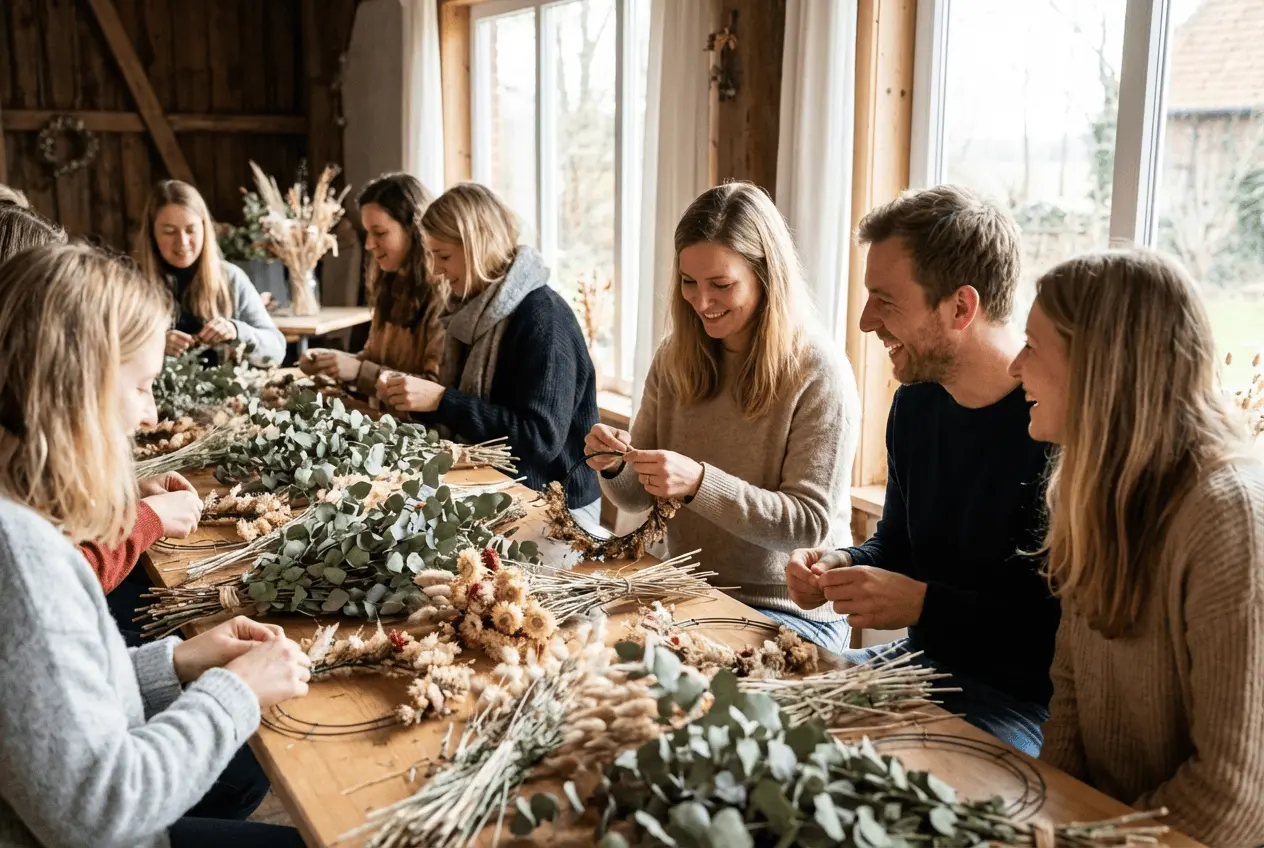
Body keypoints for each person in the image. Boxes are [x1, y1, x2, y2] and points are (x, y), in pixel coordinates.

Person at [0, 242, 309, 847]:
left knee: (246, 765)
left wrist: (177, 662)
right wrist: (237, 692)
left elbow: (50, 707)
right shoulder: (24, 561)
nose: (148, 416)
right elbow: (99, 807)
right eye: (142, 387)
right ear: (76, 390)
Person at [786, 185, 1059, 756]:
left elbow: (1055, 636)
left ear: (961, 307)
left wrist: (924, 605)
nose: (865, 322)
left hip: (1017, 706)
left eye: (885, 300)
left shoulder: (1054, 430)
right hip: (915, 668)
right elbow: (898, 548)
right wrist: (842, 563)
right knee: (768, 711)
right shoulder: (915, 404)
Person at [1008, 249, 1264, 845]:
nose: (1017, 367)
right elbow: (1069, 708)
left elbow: (1232, 799)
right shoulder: (1091, 494)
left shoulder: (1229, 517)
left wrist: (1082, 841)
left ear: (1101, 369)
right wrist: (1040, 826)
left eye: (1034, 347)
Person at [586, 183, 860, 652]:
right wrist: (614, 463)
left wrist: (698, 483)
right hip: (692, 593)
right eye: (689, 282)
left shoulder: (818, 371)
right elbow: (633, 498)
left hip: (791, 615)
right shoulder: (675, 356)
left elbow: (808, 523)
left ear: (765, 275)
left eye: (722, 284)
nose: (701, 301)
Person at [0, 205, 204, 643]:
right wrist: (144, 519)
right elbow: (66, 579)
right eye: (141, 387)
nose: (152, 415)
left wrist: (122, 498)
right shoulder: (16, 536)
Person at [378, 182, 600, 519]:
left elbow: (540, 439)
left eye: (444, 256)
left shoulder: (544, 319)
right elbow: (479, 409)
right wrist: (418, 401)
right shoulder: (472, 311)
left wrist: (441, 400)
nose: (437, 270)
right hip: (498, 488)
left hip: (557, 506)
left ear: (477, 246)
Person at [299, 172, 446, 400]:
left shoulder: (444, 297)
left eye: (379, 233)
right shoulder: (391, 284)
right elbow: (375, 359)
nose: (368, 244)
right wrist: (331, 362)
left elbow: (434, 393)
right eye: (368, 233)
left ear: (414, 230)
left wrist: (358, 371)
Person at [136, 180, 286, 363]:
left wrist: (237, 331)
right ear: (152, 234)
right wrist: (154, 345)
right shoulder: (132, 285)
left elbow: (277, 350)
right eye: (169, 231)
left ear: (205, 229)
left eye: (191, 230)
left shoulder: (231, 279)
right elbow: (104, 354)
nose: (182, 242)